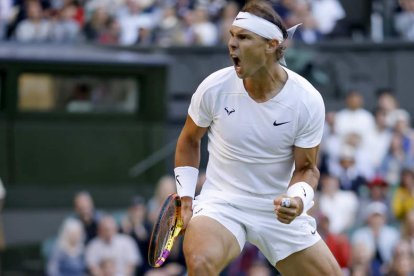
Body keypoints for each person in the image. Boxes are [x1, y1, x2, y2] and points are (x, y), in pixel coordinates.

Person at [173, 1, 342, 275]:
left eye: (243, 37)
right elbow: (189, 141)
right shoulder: (214, 88)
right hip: (221, 203)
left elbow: (307, 169)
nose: (232, 44)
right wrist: (186, 199)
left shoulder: (307, 100)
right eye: (231, 35)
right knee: (201, 263)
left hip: (278, 211)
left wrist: (297, 199)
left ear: (272, 44)